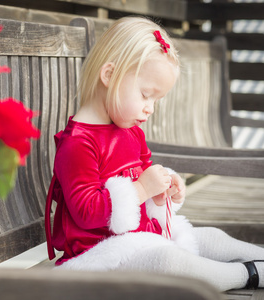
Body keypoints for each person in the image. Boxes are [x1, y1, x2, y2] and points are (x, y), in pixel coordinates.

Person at [44, 16, 264, 292]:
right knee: (169, 263)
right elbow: (87, 212)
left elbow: (146, 174)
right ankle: (247, 274)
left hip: (143, 240)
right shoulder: (78, 143)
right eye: (146, 95)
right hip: (100, 259)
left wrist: (163, 190)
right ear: (109, 76)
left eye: (156, 100)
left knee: (208, 237)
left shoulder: (129, 130)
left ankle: (259, 255)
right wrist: (141, 189)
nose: (150, 108)